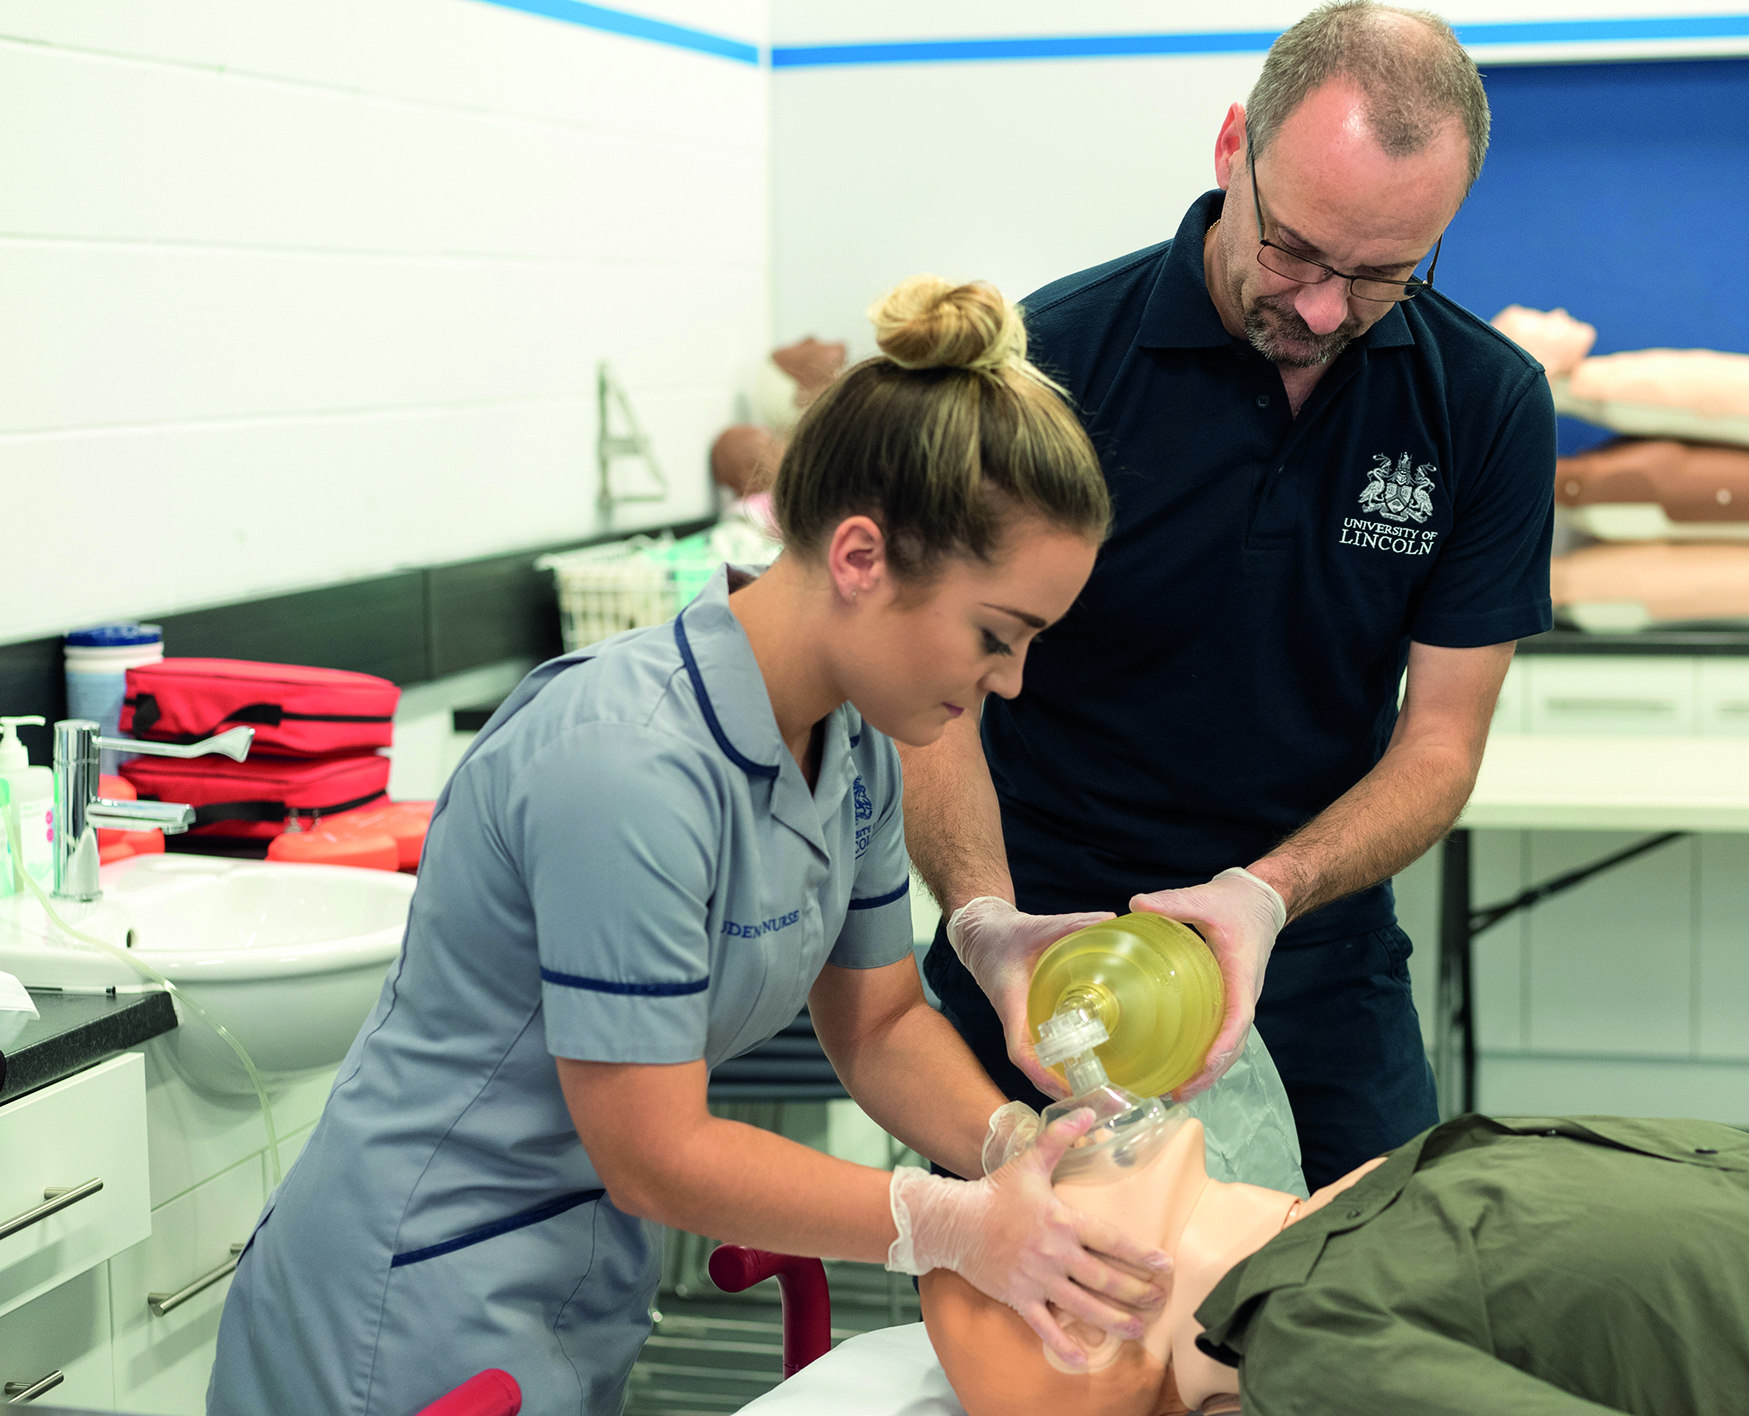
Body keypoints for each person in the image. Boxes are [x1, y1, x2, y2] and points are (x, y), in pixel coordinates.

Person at [206, 277, 1175, 1416]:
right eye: (994, 636)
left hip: (578, 1281)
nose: (1007, 682)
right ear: (860, 558)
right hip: (407, 1307)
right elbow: (655, 1151)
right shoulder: (625, 762)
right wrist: (946, 1225)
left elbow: (878, 1024)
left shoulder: (853, 744)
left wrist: (1016, 1144)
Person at [906, 1, 1556, 1193]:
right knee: (1051, 1334)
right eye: (1295, 251)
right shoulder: (1049, 366)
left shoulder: (1485, 403)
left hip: (1310, 942)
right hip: (1049, 950)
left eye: (1380, 276)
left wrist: (1267, 893)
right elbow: (934, 703)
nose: (1319, 309)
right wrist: (982, 920)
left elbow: (1440, 742)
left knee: (1362, 1314)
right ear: (1228, 154)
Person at [922, 1110, 1749, 1416]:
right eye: (1015, 1247)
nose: (1047, 1143)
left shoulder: (1376, 1191)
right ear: (1082, 1324)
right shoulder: (1307, 1335)